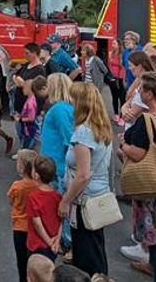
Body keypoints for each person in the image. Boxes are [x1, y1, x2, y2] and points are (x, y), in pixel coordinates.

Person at [118, 71, 156, 280]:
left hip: (152, 185)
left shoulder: (148, 120)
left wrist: (123, 146)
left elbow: (138, 153)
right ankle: (154, 266)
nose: (137, 92)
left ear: (149, 94)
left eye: (141, 89)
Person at [59, 83, 112, 277]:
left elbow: (83, 174)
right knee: (96, 248)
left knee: (86, 253)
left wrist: (66, 200)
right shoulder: (101, 127)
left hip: (84, 200)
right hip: (98, 195)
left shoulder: (83, 132)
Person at [40, 73, 75, 254]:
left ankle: (65, 242)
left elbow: (68, 139)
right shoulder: (66, 107)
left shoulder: (59, 109)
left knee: (60, 208)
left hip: (57, 165)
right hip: (56, 164)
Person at [9, 149, 40, 282]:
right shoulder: (38, 185)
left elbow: (11, 200)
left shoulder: (17, 186)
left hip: (19, 226)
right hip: (34, 226)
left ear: (21, 167)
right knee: (33, 258)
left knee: (21, 260)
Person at [26, 156, 62, 262]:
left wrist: (48, 241)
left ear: (36, 175)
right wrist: (57, 240)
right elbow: (61, 220)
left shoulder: (33, 197)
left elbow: (37, 223)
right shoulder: (57, 196)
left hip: (37, 243)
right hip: (54, 242)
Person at [13, 44, 48, 152]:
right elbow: (15, 75)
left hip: (31, 108)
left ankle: (27, 152)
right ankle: (23, 148)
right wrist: (17, 80)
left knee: (31, 132)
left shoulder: (40, 70)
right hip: (20, 105)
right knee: (20, 130)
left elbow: (35, 86)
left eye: (27, 53)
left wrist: (22, 83)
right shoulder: (26, 65)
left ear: (34, 53)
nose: (25, 55)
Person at [20, 76, 47, 151]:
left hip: (29, 130)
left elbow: (31, 118)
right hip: (27, 129)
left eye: (24, 88)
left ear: (30, 89)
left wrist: (20, 119)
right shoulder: (29, 99)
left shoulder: (31, 101)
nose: (23, 90)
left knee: (28, 148)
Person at [106, 39, 126, 120]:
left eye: (114, 43)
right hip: (112, 78)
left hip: (120, 78)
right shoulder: (111, 53)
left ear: (118, 45)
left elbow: (123, 67)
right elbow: (109, 66)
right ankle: (116, 114)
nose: (112, 45)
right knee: (114, 96)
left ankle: (122, 116)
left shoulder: (122, 55)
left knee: (121, 97)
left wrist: (121, 78)